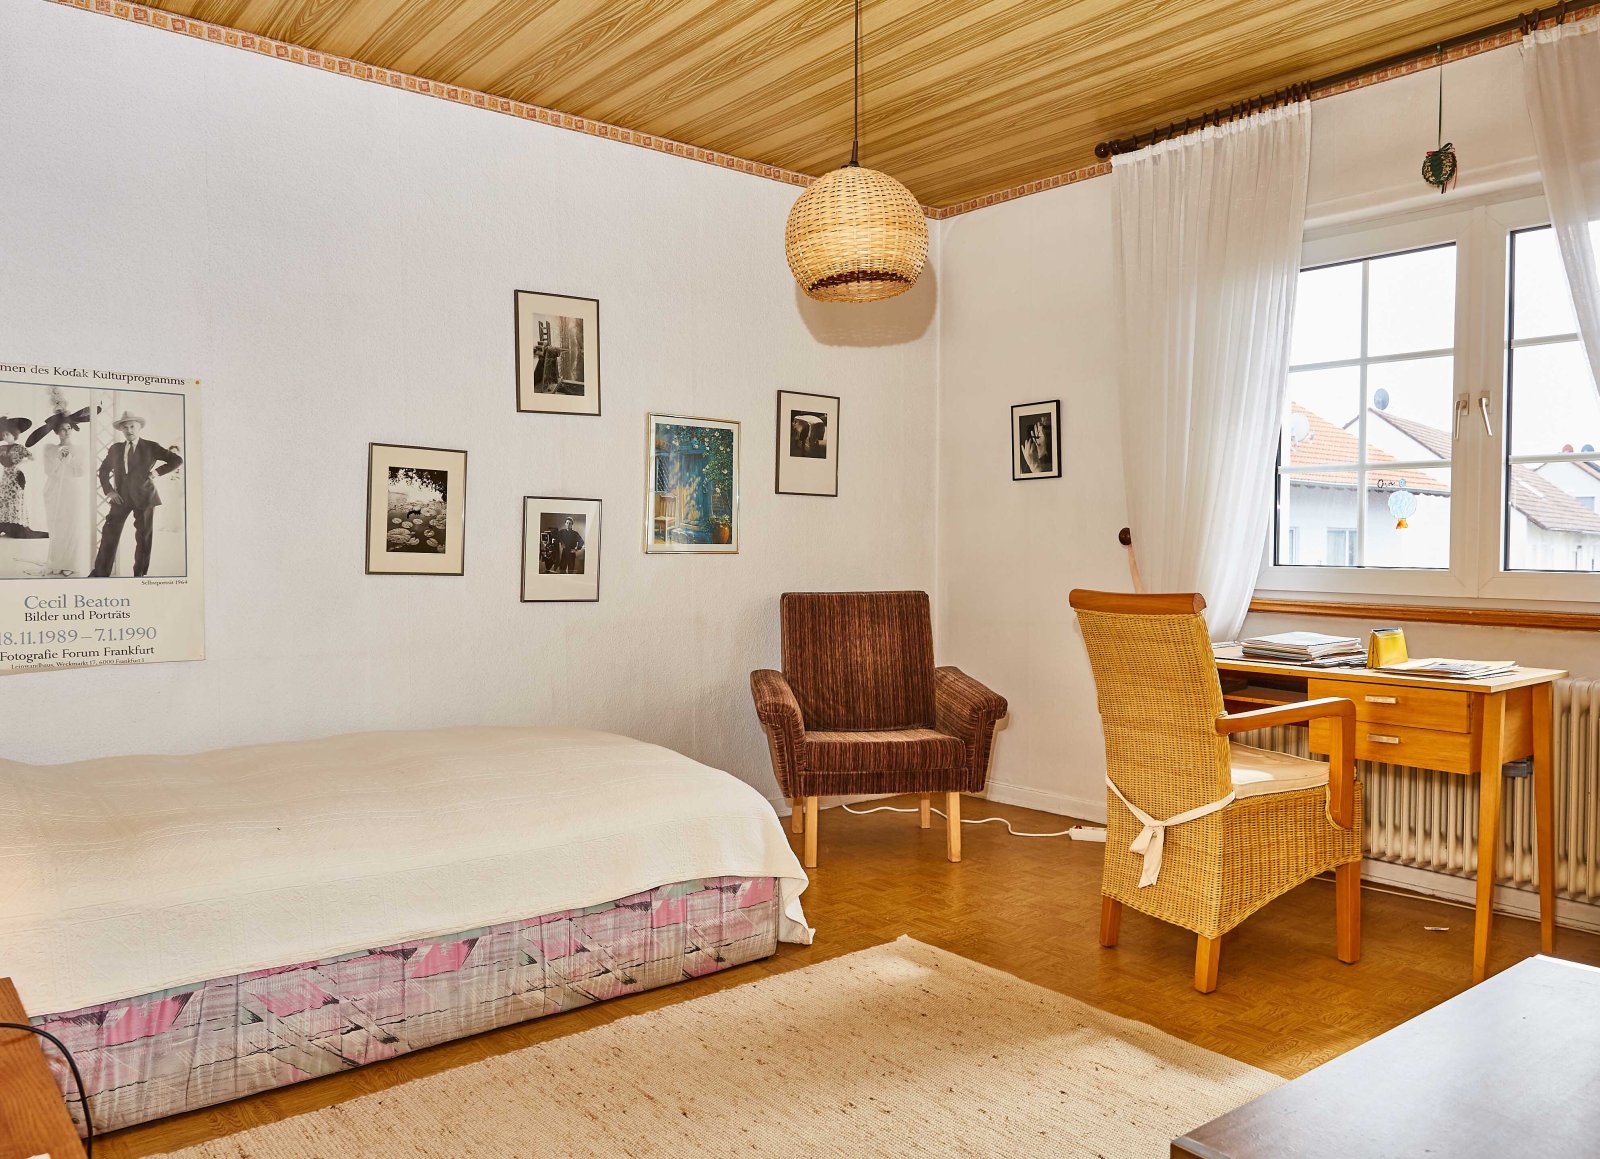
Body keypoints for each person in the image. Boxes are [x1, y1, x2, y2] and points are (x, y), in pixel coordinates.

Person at [90, 410, 182, 578]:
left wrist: (156, 473)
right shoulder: (115, 448)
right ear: (121, 430)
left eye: (132, 426)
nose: (129, 430)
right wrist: (109, 491)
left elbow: (177, 460)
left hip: (145, 497)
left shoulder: (151, 447)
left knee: (144, 538)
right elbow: (103, 471)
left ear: (139, 428)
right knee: (109, 535)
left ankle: (139, 576)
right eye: (125, 427)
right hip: (120, 498)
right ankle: (99, 574)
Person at [26, 406, 93, 575]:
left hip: (72, 490)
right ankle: (57, 562)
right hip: (54, 490)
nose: (66, 431)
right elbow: (49, 471)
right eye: (62, 429)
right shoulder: (49, 449)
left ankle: (70, 563)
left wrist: (70, 460)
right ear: (56, 432)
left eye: (69, 428)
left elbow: (81, 472)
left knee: (72, 525)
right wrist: (59, 458)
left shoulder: (80, 449)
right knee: (56, 525)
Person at [0, 417, 46, 539]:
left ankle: (16, 527)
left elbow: (32, 457)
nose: (5, 437)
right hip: (5, 478)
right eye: (3, 435)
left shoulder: (19, 448)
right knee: (4, 500)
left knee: (16, 499)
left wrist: (19, 463)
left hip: (16, 477)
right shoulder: (2, 448)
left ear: (14, 434)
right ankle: (4, 524)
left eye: (7, 434)